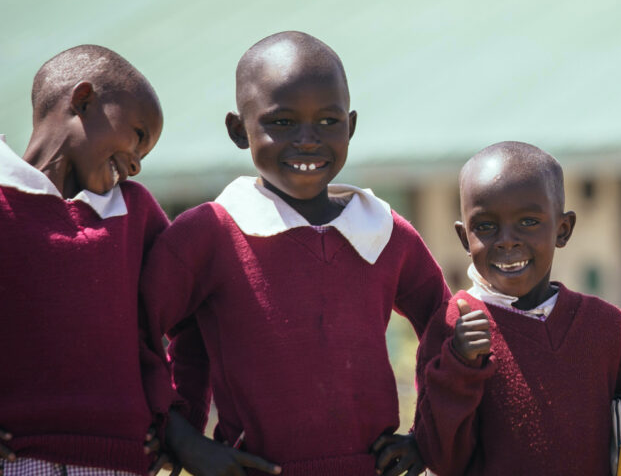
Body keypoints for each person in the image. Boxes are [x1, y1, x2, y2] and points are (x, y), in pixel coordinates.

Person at [139, 31, 451, 476]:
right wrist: (183, 439)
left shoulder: (381, 230)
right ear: (238, 130)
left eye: (328, 121)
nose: (308, 140)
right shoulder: (209, 233)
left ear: (352, 125)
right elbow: (132, 333)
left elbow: (446, 326)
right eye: (282, 122)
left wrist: (428, 437)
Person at [412, 141, 621, 475]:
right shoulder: (452, 325)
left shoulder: (605, 326)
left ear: (563, 230)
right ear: (465, 239)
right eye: (486, 226)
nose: (507, 240)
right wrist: (459, 365)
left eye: (529, 222)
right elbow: (439, 457)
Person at [0, 45, 169, 476]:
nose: (135, 165)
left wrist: (177, 420)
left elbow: (197, 315)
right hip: (18, 460)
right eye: (137, 136)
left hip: (120, 459)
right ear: (83, 100)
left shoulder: (137, 214)